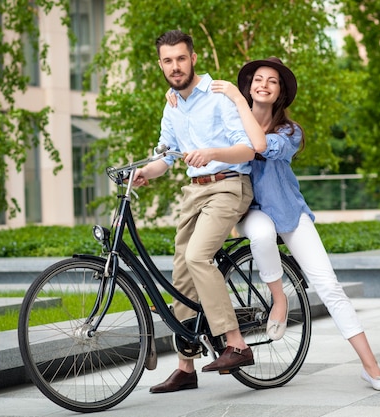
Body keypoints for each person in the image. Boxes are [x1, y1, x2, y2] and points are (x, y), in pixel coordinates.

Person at [166, 57, 380, 391]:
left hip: (288, 211)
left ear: (281, 92)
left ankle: (372, 367)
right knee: (260, 233)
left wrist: (235, 99)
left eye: (272, 81)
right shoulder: (232, 119)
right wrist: (174, 98)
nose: (263, 85)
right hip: (249, 210)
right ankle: (280, 299)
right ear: (249, 85)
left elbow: (258, 146)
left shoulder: (289, 131)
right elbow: (195, 107)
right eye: (258, 79)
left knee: (329, 286)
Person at [132, 30, 267, 394]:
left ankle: (236, 343)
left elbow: (248, 150)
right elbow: (167, 156)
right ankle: (186, 366)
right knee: (181, 273)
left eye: (180, 58)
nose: (175, 66)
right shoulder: (172, 105)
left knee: (197, 256)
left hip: (228, 185)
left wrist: (210, 152)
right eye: (167, 61)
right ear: (160, 64)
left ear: (193, 58)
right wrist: (145, 171)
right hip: (194, 192)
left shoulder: (220, 96)